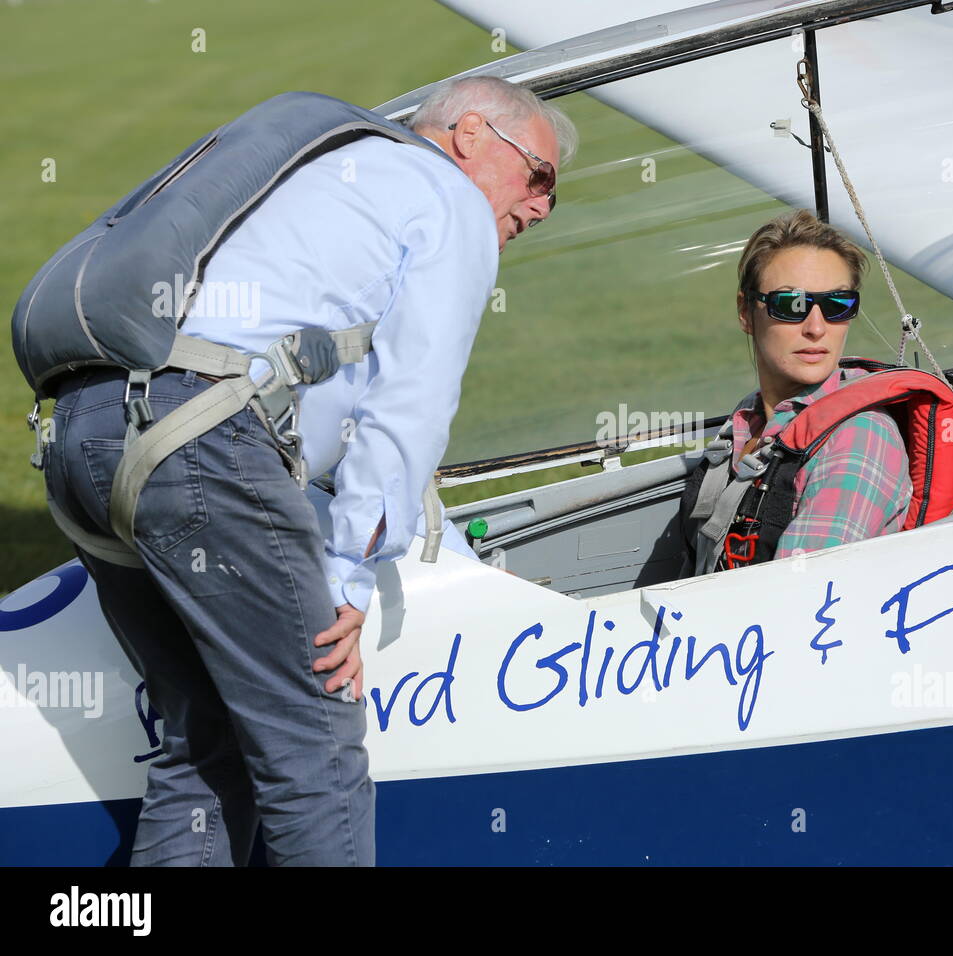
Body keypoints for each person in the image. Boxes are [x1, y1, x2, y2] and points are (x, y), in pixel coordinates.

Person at [37, 76, 577, 865]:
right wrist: (353, 567)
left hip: (78, 437)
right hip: (200, 440)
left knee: (205, 745)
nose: (540, 209)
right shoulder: (446, 197)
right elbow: (412, 404)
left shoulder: (328, 173)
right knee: (316, 744)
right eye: (540, 177)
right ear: (468, 134)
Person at [680, 209, 914, 575]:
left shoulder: (858, 438)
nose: (817, 328)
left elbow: (798, 600)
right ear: (746, 311)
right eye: (791, 305)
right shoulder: (750, 417)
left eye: (838, 305)